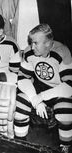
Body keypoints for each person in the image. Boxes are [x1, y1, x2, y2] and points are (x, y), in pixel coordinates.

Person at [14, 23, 72, 153]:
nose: (31, 46)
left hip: (59, 90)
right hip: (40, 88)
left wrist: (41, 97)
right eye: (31, 42)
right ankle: (19, 143)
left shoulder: (62, 51)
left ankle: (65, 147)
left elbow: (69, 86)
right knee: (20, 101)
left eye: (35, 43)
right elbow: (22, 79)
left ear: (47, 43)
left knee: (65, 110)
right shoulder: (29, 52)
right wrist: (36, 99)